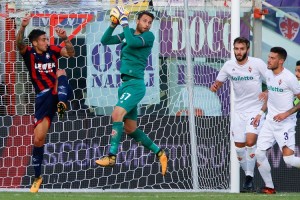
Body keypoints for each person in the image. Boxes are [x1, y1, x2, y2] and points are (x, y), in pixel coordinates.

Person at [95, 9, 168, 176]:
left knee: (116, 114)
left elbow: (133, 43)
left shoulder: (148, 37)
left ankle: (111, 156)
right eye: (144, 21)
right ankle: (160, 153)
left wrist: (125, 23)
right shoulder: (127, 34)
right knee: (130, 129)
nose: (147, 24)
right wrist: (114, 25)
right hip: (125, 85)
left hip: (136, 85)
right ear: (138, 21)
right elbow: (104, 40)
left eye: (149, 22)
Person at [16, 14, 75, 193]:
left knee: (61, 71)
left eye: (46, 39)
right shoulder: (29, 54)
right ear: (34, 43)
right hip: (43, 99)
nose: (46, 42)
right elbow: (19, 44)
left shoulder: (53, 50)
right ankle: (37, 177)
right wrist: (23, 27)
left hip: (58, 91)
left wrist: (65, 38)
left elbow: (71, 53)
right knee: (38, 139)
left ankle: (62, 104)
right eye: (43, 40)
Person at [210, 37, 267, 192]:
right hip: (238, 111)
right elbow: (219, 82)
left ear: (247, 49)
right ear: (233, 49)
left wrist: (267, 91)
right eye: (236, 49)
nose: (239, 52)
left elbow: (272, 80)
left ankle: (249, 177)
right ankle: (248, 174)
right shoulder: (229, 66)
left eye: (242, 49)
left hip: (255, 110)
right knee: (239, 148)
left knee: (250, 141)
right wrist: (215, 86)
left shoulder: (257, 64)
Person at [253, 47, 300, 194]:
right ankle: (270, 187)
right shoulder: (268, 74)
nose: (269, 60)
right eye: (269, 57)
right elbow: (272, 95)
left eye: (272, 58)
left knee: (289, 160)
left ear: (281, 61)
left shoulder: (289, 78)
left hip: (285, 123)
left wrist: (286, 114)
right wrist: (260, 113)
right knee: (259, 153)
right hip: (269, 122)